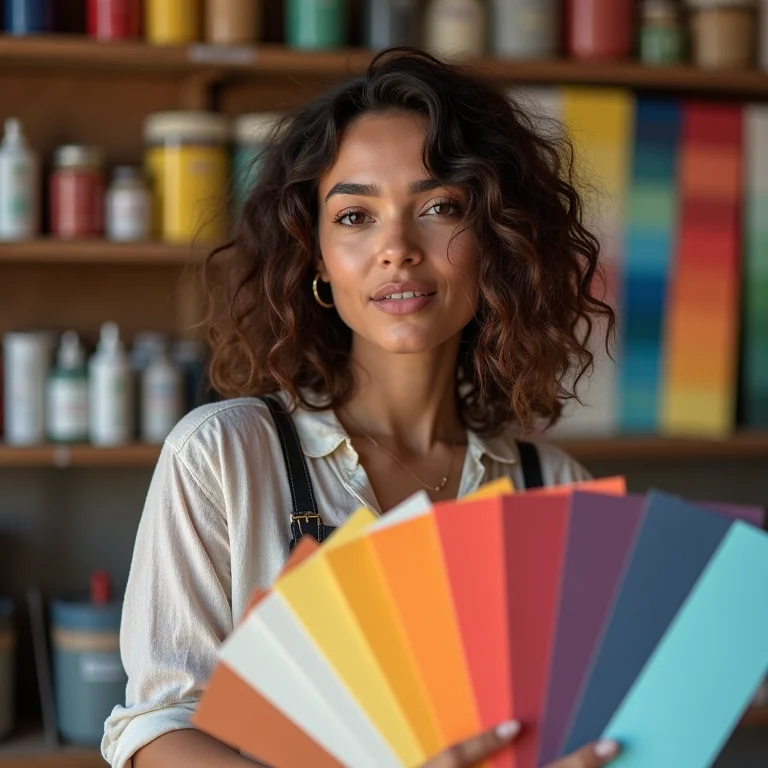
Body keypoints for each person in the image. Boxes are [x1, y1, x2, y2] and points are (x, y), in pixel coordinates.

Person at [103, 48, 618, 768]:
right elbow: (157, 727)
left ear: (496, 238)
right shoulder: (224, 455)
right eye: (354, 215)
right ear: (315, 256)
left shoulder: (554, 487)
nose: (397, 249)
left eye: (439, 207)